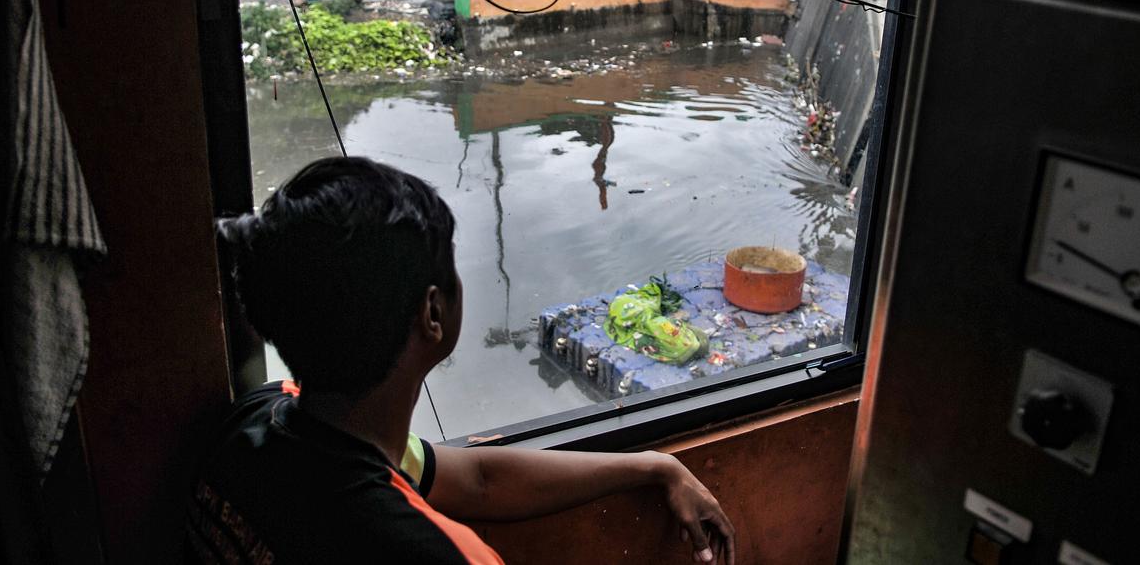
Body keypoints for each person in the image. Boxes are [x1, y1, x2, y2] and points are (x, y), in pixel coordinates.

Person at [187, 157, 735, 564]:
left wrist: (655, 465)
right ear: (432, 312)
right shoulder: (439, 555)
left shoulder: (265, 418)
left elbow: (478, 481)